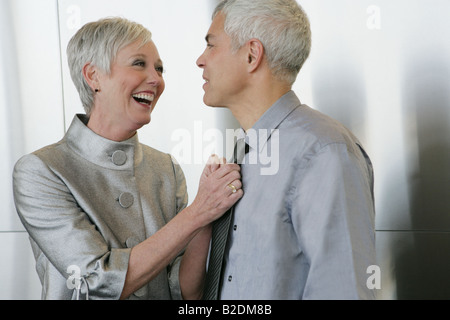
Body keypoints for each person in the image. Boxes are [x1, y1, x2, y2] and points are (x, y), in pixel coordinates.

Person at [12, 17, 243, 300]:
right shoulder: (40, 171)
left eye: (159, 69)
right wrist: (198, 213)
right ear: (93, 76)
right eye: (139, 64)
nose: (156, 79)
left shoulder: (166, 169)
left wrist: (209, 215)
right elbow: (97, 280)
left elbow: (185, 292)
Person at [197, 0, 377, 299]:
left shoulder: (324, 153)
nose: (200, 60)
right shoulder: (245, 153)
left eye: (211, 45)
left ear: (252, 55)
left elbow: (342, 291)